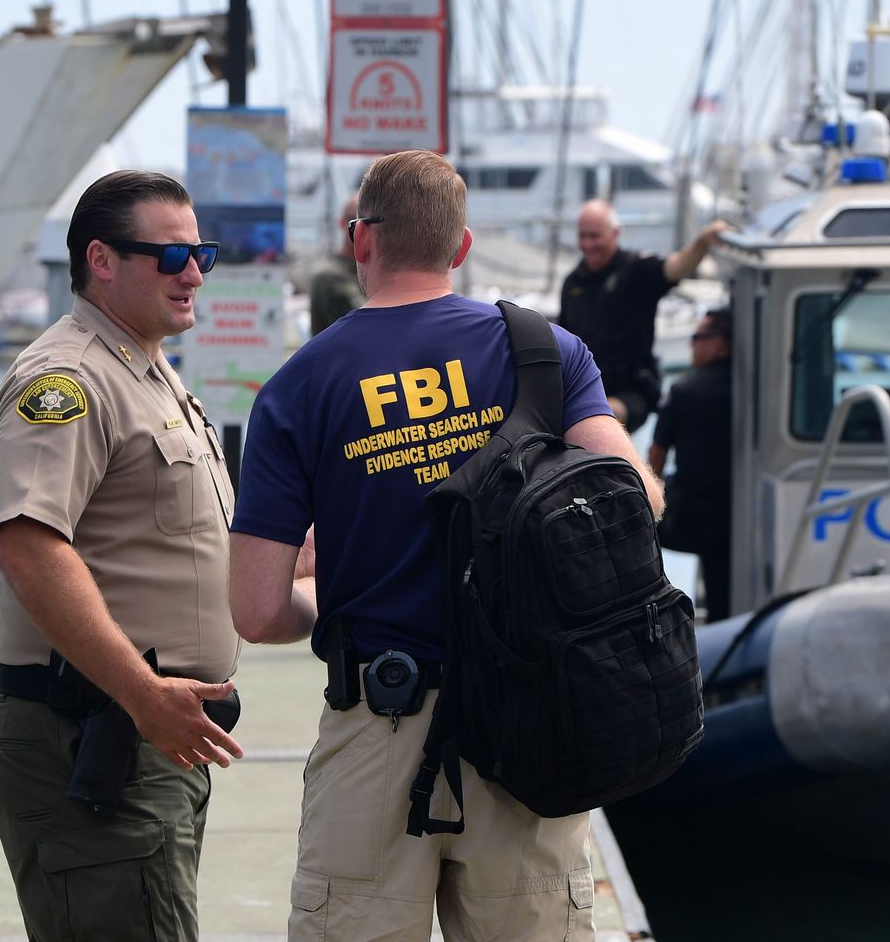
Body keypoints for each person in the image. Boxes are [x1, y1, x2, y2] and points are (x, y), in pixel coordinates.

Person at [229, 149, 663, 941]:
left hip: (377, 728)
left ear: (361, 241)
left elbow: (255, 613)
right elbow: (636, 500)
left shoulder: (298, 387)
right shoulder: (546, 352)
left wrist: (323, 587)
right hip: (531, 726)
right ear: (460, 249)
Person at [0, 169, 246, 941]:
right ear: (102, 260)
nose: (193, 272)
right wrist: (140, 691)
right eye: (170, 256)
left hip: (146, 738)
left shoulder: (149, 371)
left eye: (203, 253)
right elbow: (28, 546)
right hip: (95, 735)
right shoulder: (67, 380)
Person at [557, 199, 729, 431]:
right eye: (583, 236)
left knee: (600, 418)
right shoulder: (573, 282)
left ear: (615, 233)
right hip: (586, 388)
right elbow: (563, 341)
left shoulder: (637, 269)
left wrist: (703, 241)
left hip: (632, 390)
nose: (588, 244)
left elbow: (677, 266)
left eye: (595, 236)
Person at [649, 306, 735, 621]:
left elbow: (656, 455)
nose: (692, 345)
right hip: (736, 513)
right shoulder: (751, 389)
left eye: (698, 337)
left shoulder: (685, 390)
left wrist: (647, 505)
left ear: (721, 342)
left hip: (696, 516)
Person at [308, 193, 364, 335]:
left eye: (366, 221)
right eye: (354, 220)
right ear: (341, 222)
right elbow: (365, 322)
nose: (360, 228)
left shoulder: (371, 271)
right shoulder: (328, 276)